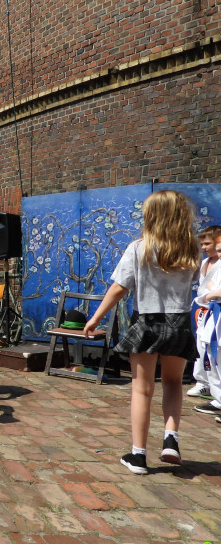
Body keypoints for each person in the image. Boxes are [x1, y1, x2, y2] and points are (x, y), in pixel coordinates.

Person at [83, 190, 200, 475]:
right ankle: (171, 439)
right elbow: (194, 280)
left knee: (142, 389)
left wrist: (96, 318)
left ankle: (138, 456)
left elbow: (119, 288)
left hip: (147, 321)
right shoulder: (191, 249)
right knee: (173, 383)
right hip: (179, 322)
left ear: (151, 216)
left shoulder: (138, 248)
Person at [187, 225, 221, 401]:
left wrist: (208, 296)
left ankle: (216, 390)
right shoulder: (204, 263)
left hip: (215, 310)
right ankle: (202, 382)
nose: (204, 248)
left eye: (207, 244)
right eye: (202, 244)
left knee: (213, 350)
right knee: (200, 346)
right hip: (203, 311)